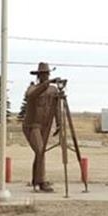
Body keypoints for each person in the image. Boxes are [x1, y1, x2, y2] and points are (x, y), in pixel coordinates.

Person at [22, 62, 61, 192]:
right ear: (38, 75)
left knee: (39, 152)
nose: (45, 76)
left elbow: (56, 108)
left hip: (45, 126)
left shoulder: (53, 90)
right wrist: (47, 84)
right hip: (32, 125)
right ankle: (42, 181)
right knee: (40, 151)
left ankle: (36, 180)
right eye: (43, 74)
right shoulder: (32, 88)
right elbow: (31, 95)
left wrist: (59, 123)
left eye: (47, 74)